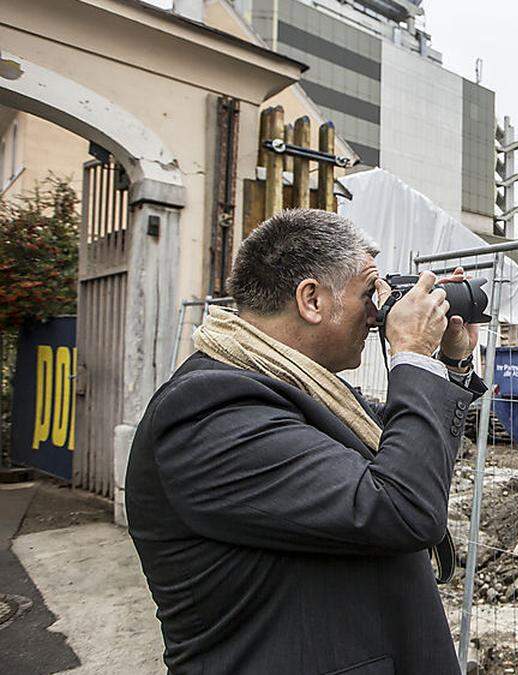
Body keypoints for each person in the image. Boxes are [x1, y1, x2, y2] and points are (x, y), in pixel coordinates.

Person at [125, 208, 486, 674]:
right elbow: (400, 507)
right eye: (366, 294)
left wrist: (448, 365)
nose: (377, 315)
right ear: (312, 299)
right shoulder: (207, 412)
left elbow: (408, 453)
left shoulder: (300, 390)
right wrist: (411, 357)